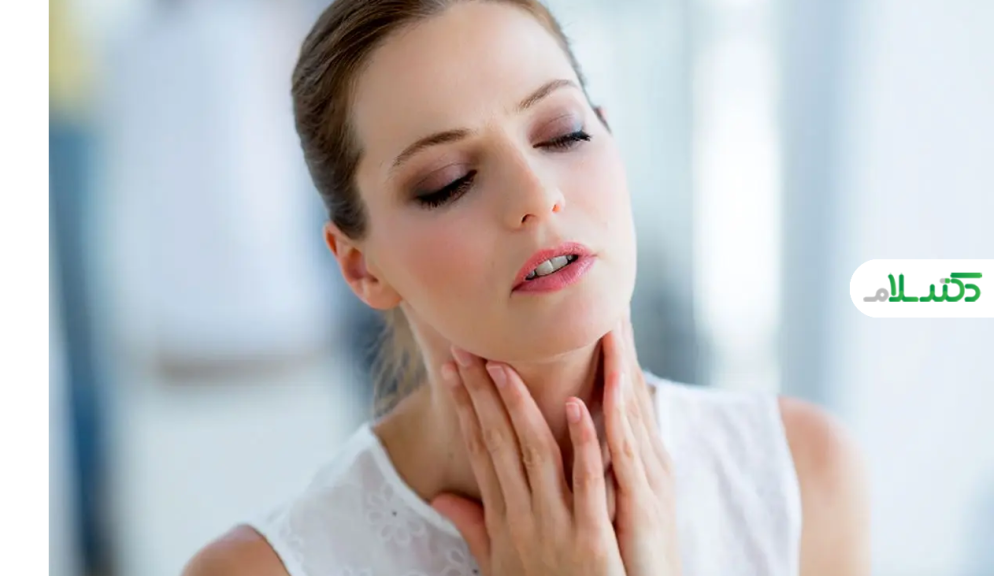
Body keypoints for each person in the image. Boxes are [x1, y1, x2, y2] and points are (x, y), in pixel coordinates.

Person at [183, 1, 870, 575]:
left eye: (564, 134)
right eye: (448, 182)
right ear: (362, 267)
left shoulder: (800, 474)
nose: (537, 196)